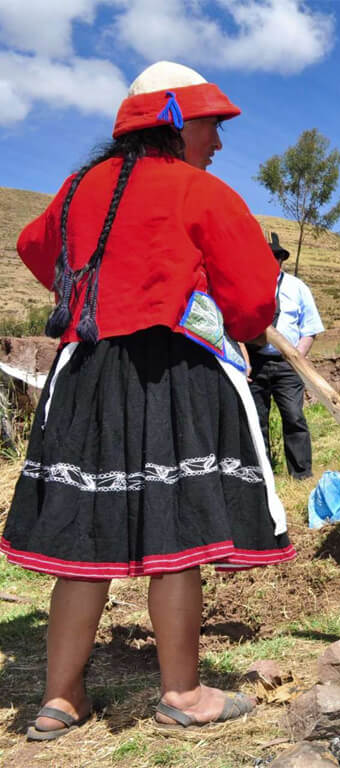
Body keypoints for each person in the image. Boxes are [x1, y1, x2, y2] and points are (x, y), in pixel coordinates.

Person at [0, 61, 293, 739]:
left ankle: (60, 699)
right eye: (210, 127)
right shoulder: (200, 192)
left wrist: (92, 292)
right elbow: (254, 301)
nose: (217, 142)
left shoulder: (78, 189)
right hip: (171, 377)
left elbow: (34, 246)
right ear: (173, 123)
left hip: (86, 373)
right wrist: (214, 311)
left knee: (85, 531)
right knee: (178, 531)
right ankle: (182, 693)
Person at [247, 233, 324, 480]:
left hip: (288, 364)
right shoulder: (247, 285)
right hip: (254, 363)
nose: (271, 261)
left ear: (281, 259)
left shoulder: (298, 287)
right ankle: (262, 474)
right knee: (256, 419)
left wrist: (296, 357)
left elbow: (310, 328)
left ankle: (301, 474)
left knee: (294, 416)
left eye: (275, 257)